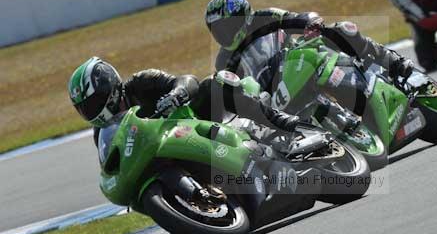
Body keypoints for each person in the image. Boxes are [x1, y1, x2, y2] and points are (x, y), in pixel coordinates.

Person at [204, 0, 414, 100]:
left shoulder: (264, 17)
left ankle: (392, 61)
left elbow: (297, 18)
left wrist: (311, 23)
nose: (224, 33)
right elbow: (235, 91)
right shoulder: (224, 60)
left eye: (227, 25)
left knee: (342, 30)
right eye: (217, 29)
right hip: (275, 92)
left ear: (244, 15)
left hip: (301, 59)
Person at [67, 57, 302, 146]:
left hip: (198, 123)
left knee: (215, 83)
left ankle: (279, 120)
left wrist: (176, 94)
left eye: (93, 101)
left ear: (108, 87)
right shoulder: (102, 134)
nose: (91, 110)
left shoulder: (140, 82)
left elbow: (187, 81)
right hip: (169, 149)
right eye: (84, 108)